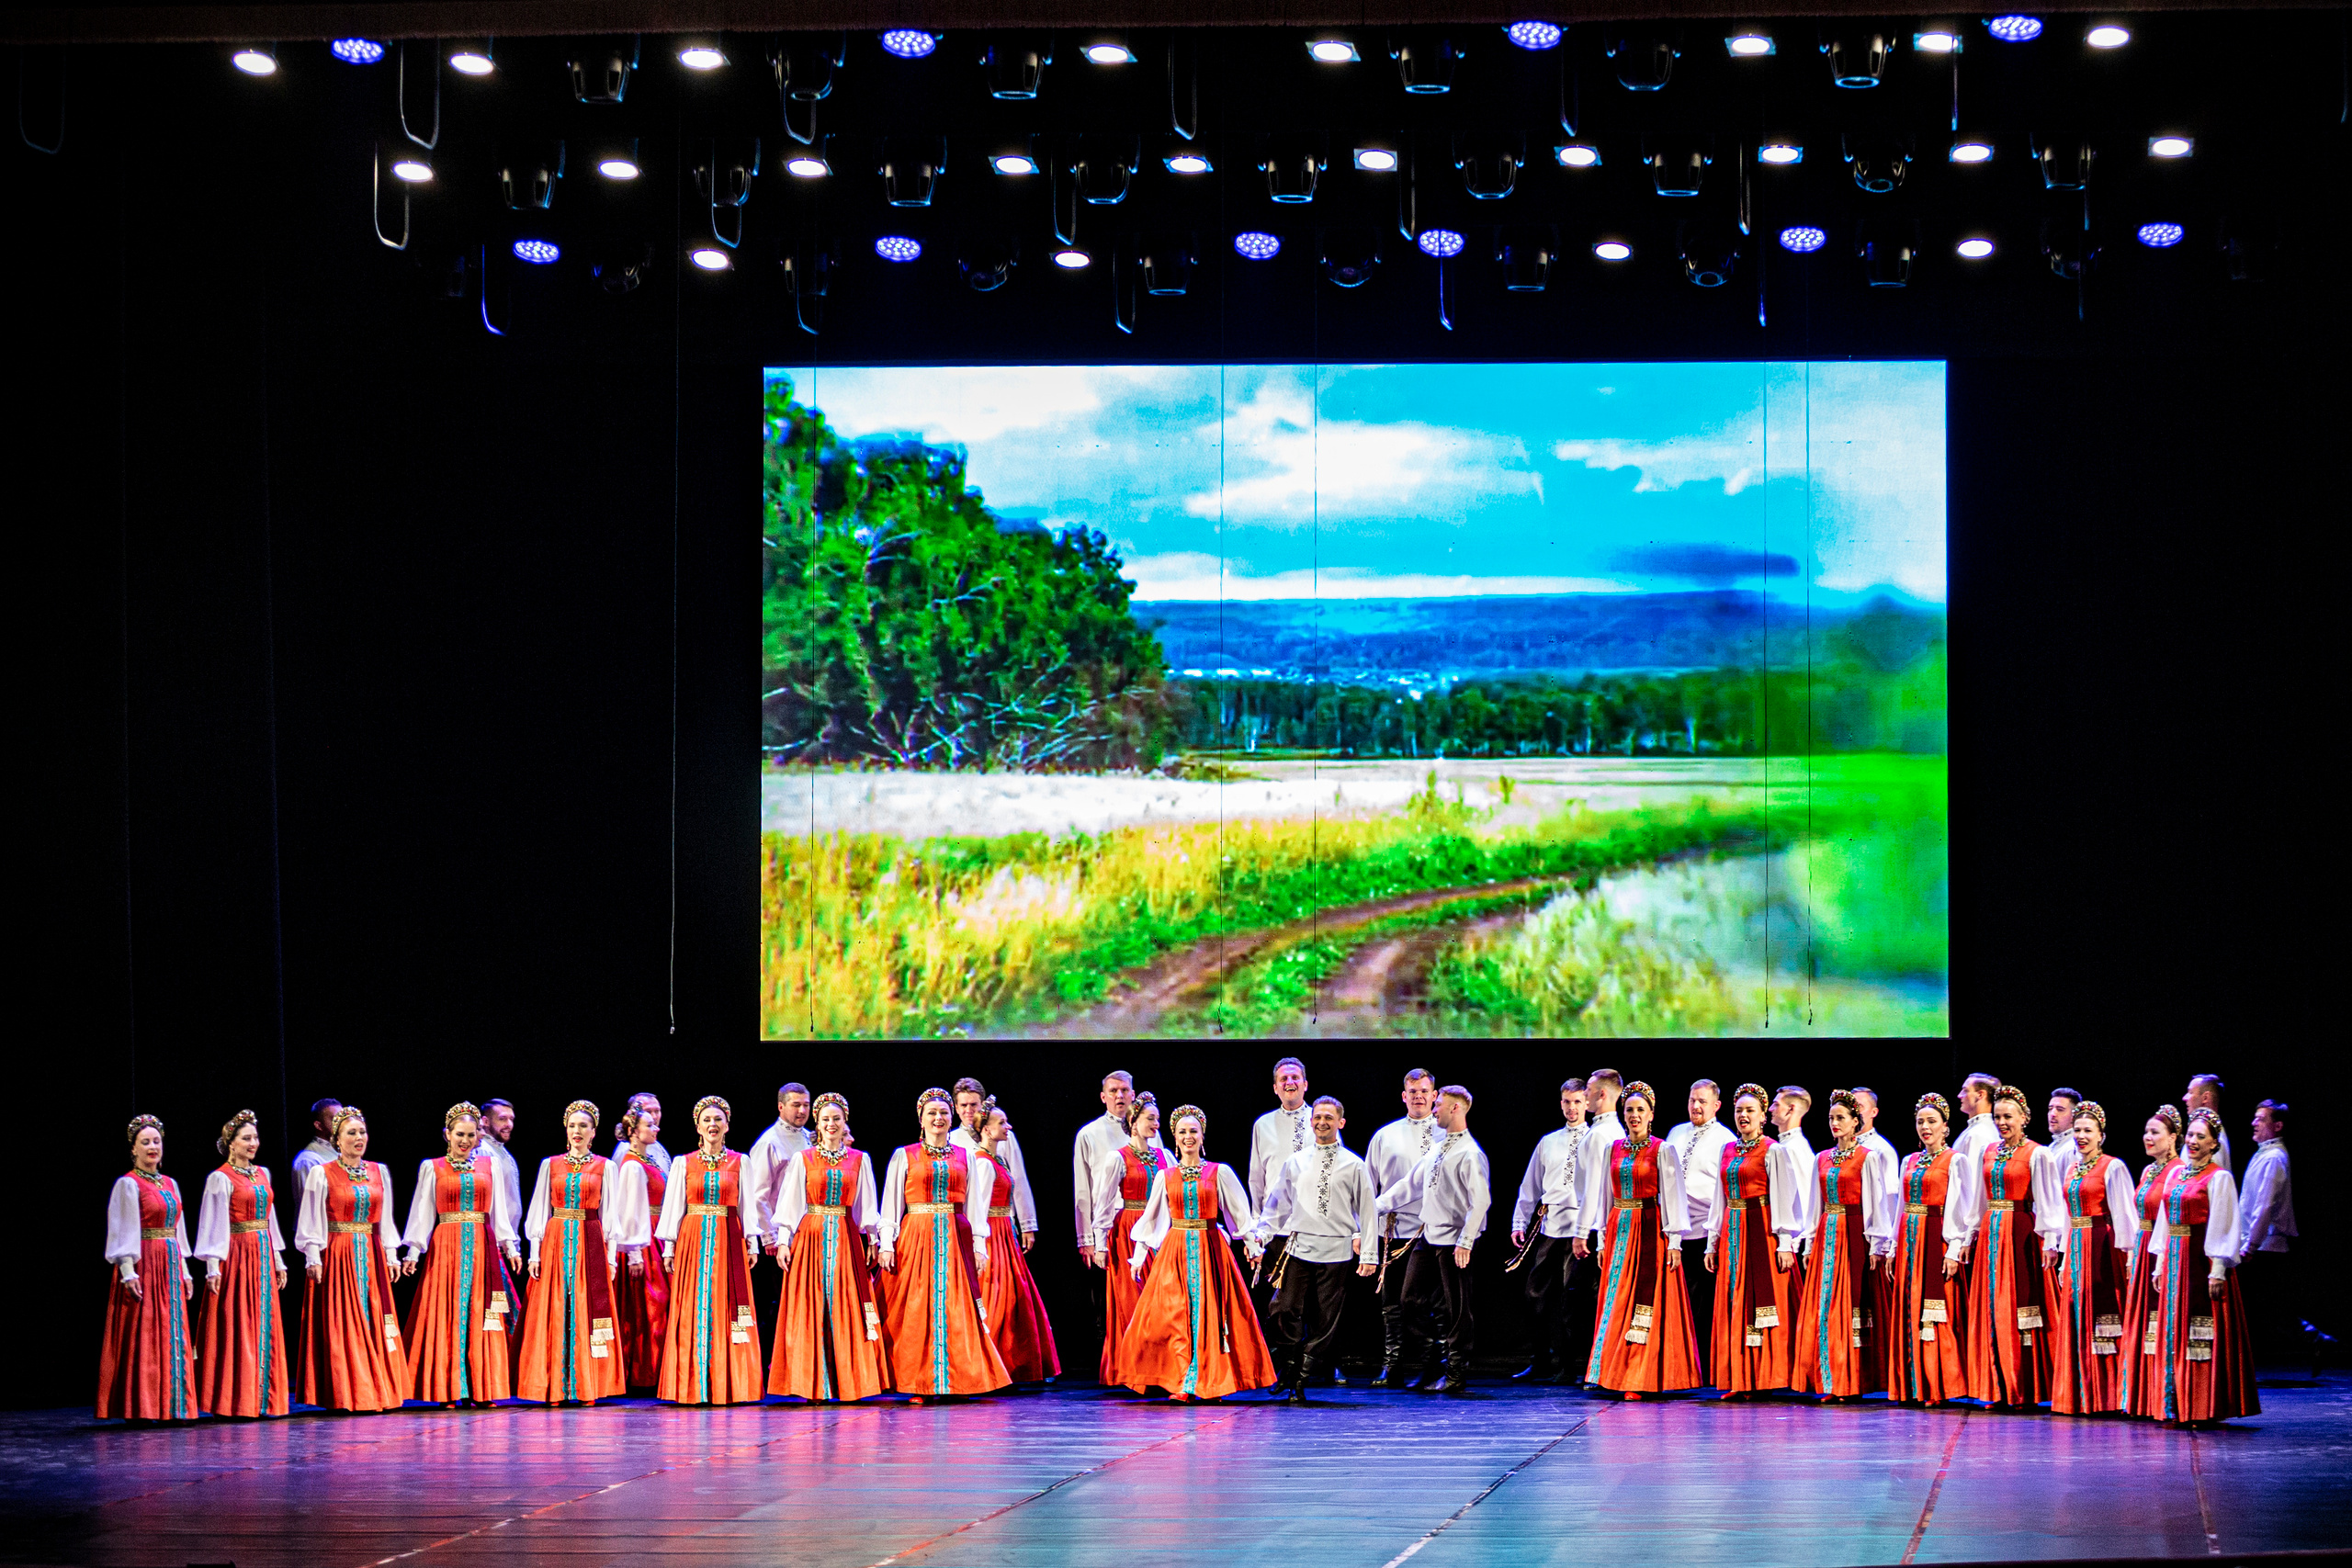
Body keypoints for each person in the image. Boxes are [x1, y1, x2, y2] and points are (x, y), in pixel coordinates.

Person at [1123, 1105, 1276, 1402]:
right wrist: (1139, 1256)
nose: (1188, 1137)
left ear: (1202, 1135)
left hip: (1210, 1248)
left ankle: (1208, 1380)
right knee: (1174, 1316)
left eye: (1193, 1131)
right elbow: (1152, 1219)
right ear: (1175, 1138)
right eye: (1182, 1132)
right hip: (1175, 1250)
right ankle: (1182, 1380)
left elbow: (1239, 1215)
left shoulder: (1219, 1172)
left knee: (1211, 1314)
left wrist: (1253, 1245)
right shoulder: (1165, 1176)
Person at [879, 1088, 1011, 1400]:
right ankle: (917, 1382)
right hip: (916, 1236)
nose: (938, 1119)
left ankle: (959, 1381)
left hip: (954, 1237)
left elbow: (976, 1207)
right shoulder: (905, 1155)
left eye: (943, 1114)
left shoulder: (965, 1155)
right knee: (915, 1308)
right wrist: (887, 1242)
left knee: (955, 1307)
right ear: (921, 1119)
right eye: (932, 1114)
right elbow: (892, 1203)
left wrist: (980, 1245)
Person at [519, 1100, 648, 1406]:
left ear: (593, 1132)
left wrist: (611, 1254)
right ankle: (552, 1385)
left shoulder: (606, 1167)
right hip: (556, 1240)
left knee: (586, 1308)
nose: (577, 1131)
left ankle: (587, 1383)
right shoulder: (551, 1165)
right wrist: (534, 1252)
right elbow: (539, 1208)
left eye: (583, 1126)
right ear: (566, 1130)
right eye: (572, 1126)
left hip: (589, 1241)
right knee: (555, 1308)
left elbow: (610, 1215)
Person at [1250, 1095, 1377, 1403]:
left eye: (1329, 1118)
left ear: (1340, 1123)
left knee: (1325, 1322)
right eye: (1318, 1117)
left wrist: (1370, 1254)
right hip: (1300, 1246)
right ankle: (1291, 1369)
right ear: (1311, 1122)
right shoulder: (1295, 1162)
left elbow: (1367, 1210)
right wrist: (1261, 1234)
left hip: (1336, 1252)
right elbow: (1277, 1204)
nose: (1322, 1122)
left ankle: (1300, 1377)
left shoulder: (1354, 1165)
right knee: (1282, 1309)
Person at [768, 1092, 892, 1403]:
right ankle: (814, 1383)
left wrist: (874, 1238)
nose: (831, 1124)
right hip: (811, 1237)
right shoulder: (803, 1159)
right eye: (825, 1119)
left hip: (846, 1237)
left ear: (844, 1121)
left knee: (845, 1304)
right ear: (817, 1124)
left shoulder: (859, 1159)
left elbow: (866, 1203)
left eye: (836, 1119)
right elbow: (791, 1203)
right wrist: (784, 1240)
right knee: (813, 1304)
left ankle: (848, 1381)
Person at [400, 1102, 525, 1406]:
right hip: (446, 1247)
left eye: (470, 1135)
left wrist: (510, 1246)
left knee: (483, 1312)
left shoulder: (489, 1166)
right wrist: (413, 1251)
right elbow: (423, 1211)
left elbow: (499, 1212)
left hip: (482, 1246)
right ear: (447, 1134)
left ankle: (483, 1388)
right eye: (459, 1134)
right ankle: (450, 1388)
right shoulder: (433, 1167)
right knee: (450, 1312)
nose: (465, 1141)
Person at [2140, 1109, 2258, 1424]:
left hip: (2199, 1259)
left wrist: (2217, 1269)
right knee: (2171, 1328)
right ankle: (2173, 1401)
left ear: (2214, 1144)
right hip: (2175, 1258)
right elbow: (2165, 1220)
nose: (2192, 1141)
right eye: (2190, 1135)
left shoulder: (2218, 1177)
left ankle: (2201, 1403)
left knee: (2200, 1331)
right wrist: (2159, 1264)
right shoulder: (2177, 1174)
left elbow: (2223, 1224)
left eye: (2200, 1137)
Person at [1373, 1086, 1490, 1397]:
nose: (1433, 1109)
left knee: (1457, 1308)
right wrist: (1372, 1207)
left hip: (1454, 1241)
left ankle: (1455, 1372)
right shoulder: (1438, 1148)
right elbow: (1408, 1186)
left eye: (1438, 1105)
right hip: (1429, 1236)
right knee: (1409, 1298)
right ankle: (1434, 1359)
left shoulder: (1470, 1152)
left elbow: (1480, 1202)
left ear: (1455, 1109)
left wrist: (1466, 1241)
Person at [1585, 1081, 1701, 1397]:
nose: (1634, 1116)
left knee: (1642, 1298)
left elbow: (1674, 1196)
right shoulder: (1613, 1148)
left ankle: (1640, 1374)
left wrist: (1675, 1239)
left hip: (1648, 1227)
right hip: (1619, 1228)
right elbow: (1605, 1196)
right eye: (1629, 1110)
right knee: (1616, 1298)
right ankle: (1612, 1371)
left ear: (1651, 1115)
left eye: (1640, 1110)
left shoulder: (1662, 1149)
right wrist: (1602, 1239)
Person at [294, 1106, 409, 1412]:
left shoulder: (378, 1171)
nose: (359, 1138)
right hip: (338, 1251)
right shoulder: (322, 1172)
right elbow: (311, 1217)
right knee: (343, 1320)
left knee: (373, 1317)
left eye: (362, 1132)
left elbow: (385, 1217)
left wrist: (390, 1253)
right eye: (351, 1133)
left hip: (370, 1253)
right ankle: (349, 1391)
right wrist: (313, 1256)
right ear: (337, 1138)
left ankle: (377, 1390)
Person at [652, 1096, 764, 1405]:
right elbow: (675, 1205)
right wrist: (669, 1247)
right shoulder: (683, 1163)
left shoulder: (740, 1162)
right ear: (698, 1127)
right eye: (707, 1120)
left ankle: (731, 1385)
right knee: (693, 1305)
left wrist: (751, 1242)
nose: (712, 1125)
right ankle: (691, 1385)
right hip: (693, 1239)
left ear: (727, 1125)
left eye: (718, 1119)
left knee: (729, 1305)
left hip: (729, 1238)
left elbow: (747, 1206)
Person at [1791, 1090, 1893, 1402]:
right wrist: (1808, 1243)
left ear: (1855, 1121)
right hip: (1826, 1236)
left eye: (1841, 1118)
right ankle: (1827, 1379)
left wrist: (1878, 1243)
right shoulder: (1822, 1158)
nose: (1835, 1123)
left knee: (1851, 1306)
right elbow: (1814, 1205)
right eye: (1832, 1118)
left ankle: (1851, 1380)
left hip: (1853, 1235)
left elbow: (1877, 1203)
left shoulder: (1868, 1156)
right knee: (1824, 1307)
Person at [1954, 1083, 2051, 1409]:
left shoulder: (2037, 1153)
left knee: (2018, 1305)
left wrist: (2049, 1242)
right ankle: (1993, 1386)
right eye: (1998, 1117)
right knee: (1991, 1306)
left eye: (2009, 1116)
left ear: (2024, 1117)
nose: (2002, 1122)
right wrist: (1970, 1236)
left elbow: (2047, 1203)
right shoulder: (1989, 1151)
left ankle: (2022, 1387)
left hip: (2020, 1233)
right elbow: (1978, 1200)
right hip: (1991, 1235)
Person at [1702, 1085, 1801, 1398]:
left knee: (1762, 1299)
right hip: (1733, 1231)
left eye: (1750, 1111)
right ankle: (1739, 1377)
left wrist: (1784, 1241)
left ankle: (1765, 1375)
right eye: (1739, 1111)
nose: (1743, 1116)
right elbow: (1720, 1198)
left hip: (1761, 1229)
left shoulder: (1773, 1150)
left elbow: (1784, 1196)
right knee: (1735, 1298)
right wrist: (1712, 1241)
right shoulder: (1728, 1150)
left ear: (1762, 1117)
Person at [97, 1116, 198, 1422]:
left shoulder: (170, 1184)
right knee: (145, 1332)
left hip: (169, 1261)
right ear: (133, 1149)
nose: (153, 1147)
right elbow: (122, 1230)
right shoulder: (128, 1184)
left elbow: (177, 1230)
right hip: (145, 1263)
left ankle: (173, 1405)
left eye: (157, 1141)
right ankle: (142, 1406)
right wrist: (128, 1271)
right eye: (146, 1142)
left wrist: (185, 1271)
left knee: (172, 1331)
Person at [2042, 1101, 2139, 1416]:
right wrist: (2065, 1257)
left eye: (2088, 1131)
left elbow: (2125, 1214)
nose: (2082, 1136)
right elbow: (2069, 1216)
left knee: (2102, 1317)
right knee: (2075, 1315)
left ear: (2102, 1135)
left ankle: (2107, 1396)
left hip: (2102, 1245)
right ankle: (2078, 1395)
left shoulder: (2112, 1167)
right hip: (2077, 1246)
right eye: (2079, 1130)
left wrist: (2128, 1256)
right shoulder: (2072, 1169)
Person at [193, 1110, 290, 1418]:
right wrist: (213, 1266)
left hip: (261, 1252)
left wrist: (278, 1259)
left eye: (255, 1138)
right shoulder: (220, 1178)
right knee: (238, 1323)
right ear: (230, 1144)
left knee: (264, 1324)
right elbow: (214, 1223)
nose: (253, 1143)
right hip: (236, 1255)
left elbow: (270, 1218)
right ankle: (235, 1400)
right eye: (246, 1138)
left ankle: (264, 1398)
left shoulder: (263, 1174)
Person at [1364, 1068, 1448, 1386]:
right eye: (1413, 1092)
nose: (1419, 1097)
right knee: (1392, 1302)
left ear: (1434, 1094)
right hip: (1394, 1230)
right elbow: (1370, 1187)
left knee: (1433, 1302)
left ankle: (1434, 1364)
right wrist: (1365, 1230)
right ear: (1404, 1096)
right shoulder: (1386, 1135)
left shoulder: (1445, 1135)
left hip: (1432, 1231)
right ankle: (1393, 1364)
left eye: (1424, 1091)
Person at [1511, 1077, 1596, 1383]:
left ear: (1587, 1103)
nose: (1572, 1108)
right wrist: (1520, 1220)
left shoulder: (1597, 1139)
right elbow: (1530, 1184)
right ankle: (1540, 1360)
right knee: (1536, 1295)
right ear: (1560, 1104)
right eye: (1567, 1102)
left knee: (1573, 1300)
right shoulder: (1548, 1142)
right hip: (1551, 1228)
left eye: (1577, 1102)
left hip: (1581, 1229)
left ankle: (1572, 1366)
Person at [1891, 1094, 1969, 1406]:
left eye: (1932, 1121)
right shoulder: (1909, 1160)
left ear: (1945, 1127)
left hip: (1935, 1239)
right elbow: (1900, 1206)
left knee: (1935, 1311)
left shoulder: (1955, 1160)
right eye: (1921, 1122)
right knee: (1909, 1308)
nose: (1925, 1127)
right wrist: (1894, 1246)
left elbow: (1958, 1206)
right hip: (1909, 1242)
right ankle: (1910, 1384)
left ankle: (1937, 1384)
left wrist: (1953, 1248)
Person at [974, 1098, 1060, 1383]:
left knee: (1014, 1296)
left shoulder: (997, 1159)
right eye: (1001, 1123)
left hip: (1004, 1231)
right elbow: (979, 1207)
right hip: (992, 1233)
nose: (1008, 1126)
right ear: (986, 1129)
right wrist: (981, 1245)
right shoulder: (983, 1164)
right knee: (998, 1296)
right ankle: (991, 1366)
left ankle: (1009, 1366)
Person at [1089, 1095, 1170, 1386]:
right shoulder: (1118, 1157)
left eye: (1157, 1119)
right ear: (1133, 1123)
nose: (1156, 1124)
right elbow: (1104, 1202)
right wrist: (1099, 1243)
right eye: (1150, 1118)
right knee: (1131, 1301)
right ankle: (1134, 1371)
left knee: (1160, 1303)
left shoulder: (1165, 1156)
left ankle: (1160, 1369)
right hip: (1127, 1231)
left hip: (1158, 1233)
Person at [1072, 1070, 1153, 1356]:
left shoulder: (1150, 1131)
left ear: (1133, 1094)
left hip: (1148, 1226)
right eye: (1113, 1091)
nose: (1120, 1096)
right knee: (1115, 1299)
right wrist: (1088, 1238)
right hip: (1112, 1227)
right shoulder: (1090, 1134)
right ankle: (1121, 1359)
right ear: (1103, 1096)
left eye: (1125, 1091)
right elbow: (1083, 1190)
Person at [1664, 1080, 1736, 1382]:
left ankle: (1706, 1367)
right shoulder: (1676, 1133)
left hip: (1707, 1233)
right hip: (1674, 1234)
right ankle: (1680, 1366)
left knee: (1704, 1304)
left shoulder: (1725, 1139)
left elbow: (1722, 1190)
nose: (1696, 1106)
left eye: (1703, 1101)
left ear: (1716, 1106)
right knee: (1678, 1304)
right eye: (1693, 1100)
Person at [2122, 1106, 2187, 1420]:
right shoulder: (2148, 1171)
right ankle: (2141, 1398)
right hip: (2142, 1246)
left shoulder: (2179, 1170)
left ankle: (2162, 1397)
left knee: (2158, 1323)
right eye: (2146, 1132)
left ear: (2174, 1137)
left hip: (2160, 1248)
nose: (2148, 1138)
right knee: (2140, 1323)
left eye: (2155, 1133)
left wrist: (2160, 1258)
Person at [1247, 1058, 1315, 1341]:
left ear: (1305, 1084)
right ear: (1276, 1088)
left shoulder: (1320, 1119)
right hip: (1275, 1226)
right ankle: (1288, 1356)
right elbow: (1256, 1177)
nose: (1290, 1083)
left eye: (1295, 1077)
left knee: (1316, 1296)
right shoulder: (1263, 1124)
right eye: (1284, 1079)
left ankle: (1321, 1358)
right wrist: (1255, 1227)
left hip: (1313, 1223)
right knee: (1281, 1297)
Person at [611, 1099, 670, 1393]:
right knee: (649, 1305)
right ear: (634, 1131)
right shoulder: (632, 1165)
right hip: (643, 1240)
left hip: (657, 1236)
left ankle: (656, 1370)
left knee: (659, 1305)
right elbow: (628, 1211)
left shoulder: (647, 1161)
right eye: (649, 1124)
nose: (655, 1128)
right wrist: (634, 1252)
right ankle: (643, 1373)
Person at [1850, 1089, 1905, 1392]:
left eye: (1860, 1108)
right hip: (1848, 1233)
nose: (1855, 1113)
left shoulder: (1880, 1150)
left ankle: (1872, 1372)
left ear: (1873, 1112)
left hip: (1871, 1235)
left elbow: (1889, 1199)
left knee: (1870, 1307)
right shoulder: (1843, 1149)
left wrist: (1883, 1244)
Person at [2237, 1099, 2298, 1365]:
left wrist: (2250, 1245)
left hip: (2265, 1245)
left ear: (2278, 1126)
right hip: (2256, 1243)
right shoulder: (2263, 1153)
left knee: (2264, 1310)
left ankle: (2311, 1337)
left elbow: (2264, 1206)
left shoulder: (2274, 1157)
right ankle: (2312, 1336)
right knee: (2268, 1309)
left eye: (2261, 1119)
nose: (2254, 1122)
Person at [952, 1077, 1038, 1261]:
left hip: (1000, 1222)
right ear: (956, 1107)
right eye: (964, 1105)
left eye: (974, 1104)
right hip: (965, 1221)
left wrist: (1027, 1224)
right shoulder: (951, 1140)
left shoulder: (1005, 1137)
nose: (969, 1110)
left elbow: (1019, 1179)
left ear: (982, 1105)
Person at [745, 1082, 815, 1243]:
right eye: (796, 1105)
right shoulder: (769, 1143)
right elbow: (758, 1195)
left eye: (806, 1105)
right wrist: (770, 1237)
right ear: (781, 1107)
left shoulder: (809, 1137)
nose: (802, 1111)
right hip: (780, 1237)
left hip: (808, 1230)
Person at [611, 1091, 672, 1174]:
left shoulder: (656, 1145)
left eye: (657, 1111)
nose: (654, 1117)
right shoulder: (625, 1149)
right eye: (648, 1111)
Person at [2183, 1075, 2233, 1172]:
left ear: (2205, 1097)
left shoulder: (2214, 1138)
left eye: (2190, 1092)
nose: (2185, 1098)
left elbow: (2212, 1180)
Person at [291, 1099, 341, 1190]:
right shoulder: (308, 1161)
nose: (342, 1124)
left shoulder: (345, 1152)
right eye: (335, 1120)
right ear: (318, 1125)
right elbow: (309, 1202)